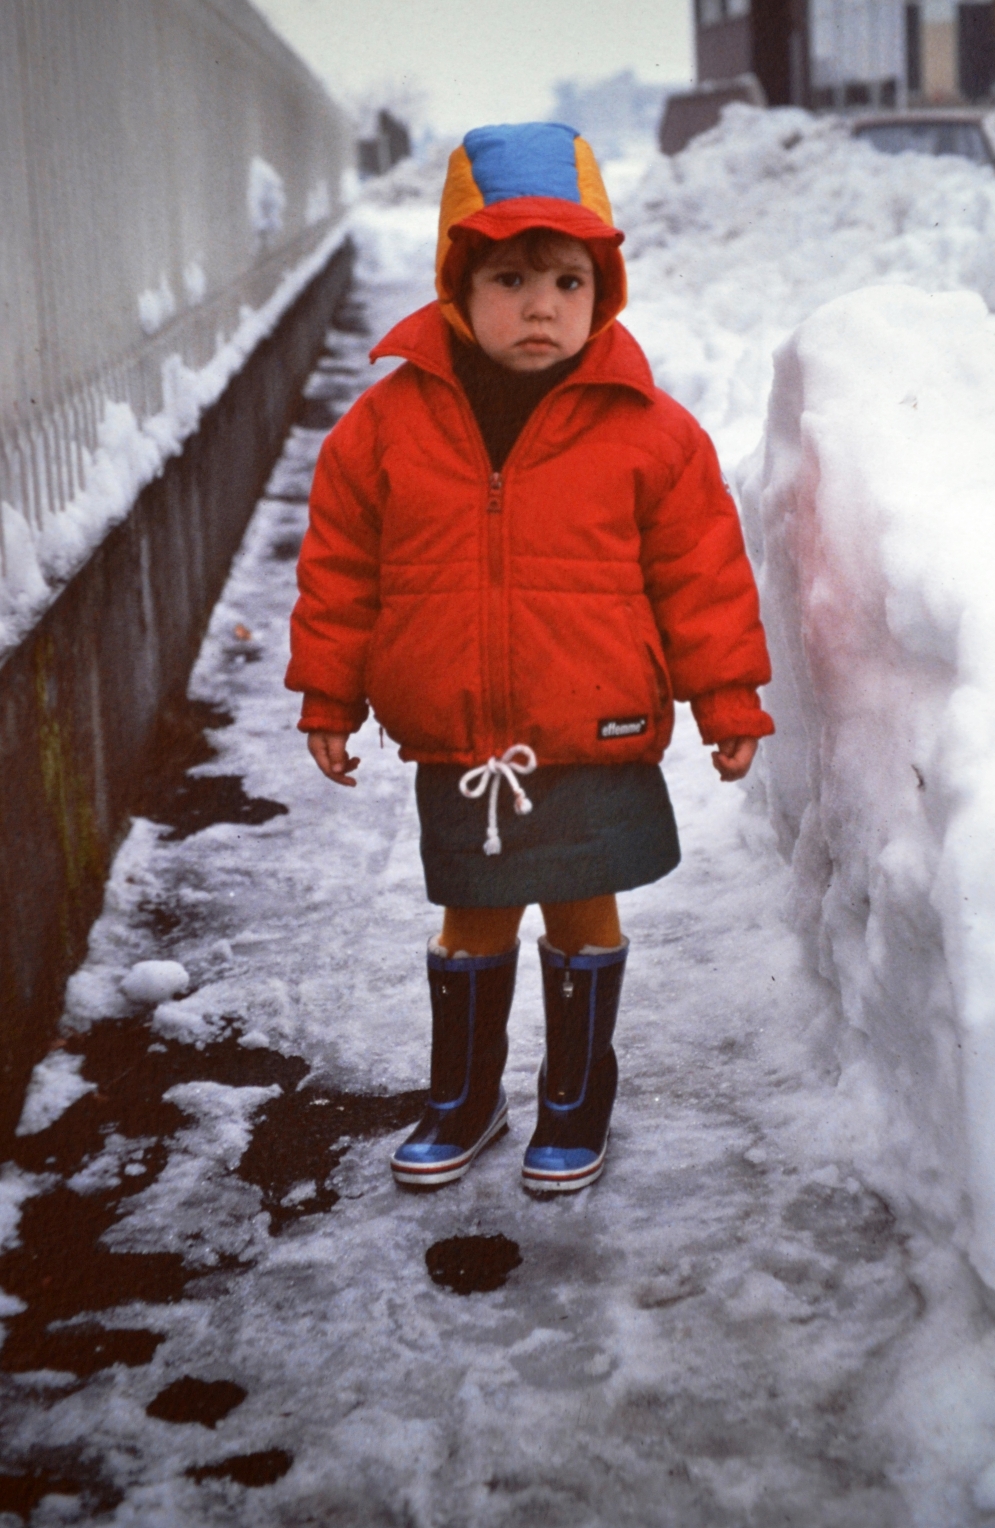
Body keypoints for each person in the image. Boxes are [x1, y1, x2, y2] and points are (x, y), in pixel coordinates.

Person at [286, 122, 773, 1195]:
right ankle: (463, 1095)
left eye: (566, 278)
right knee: (471, 914)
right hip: (464, 739)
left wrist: (726, 696)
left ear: (605, 291)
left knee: (582, 908)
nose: (541, 304)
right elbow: (340, 572)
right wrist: (328, 688)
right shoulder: (382, 428)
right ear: (456, 284)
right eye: (508, 277)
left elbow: (700, 574)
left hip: (594, 733)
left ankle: (573, 1101)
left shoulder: (649, 432)